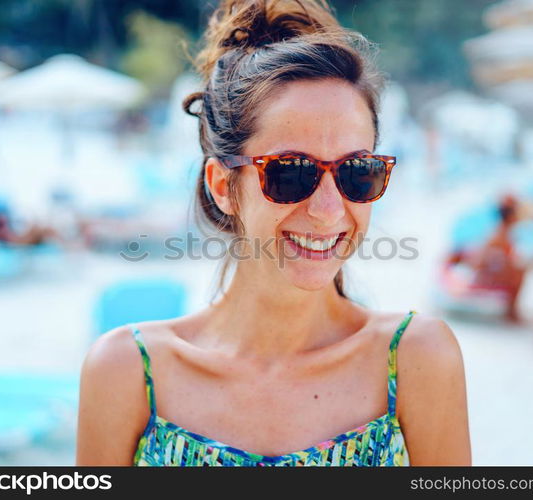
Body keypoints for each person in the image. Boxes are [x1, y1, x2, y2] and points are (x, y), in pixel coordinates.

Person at [77, 0, 470, 466]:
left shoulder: (417, 360)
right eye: (290, 172)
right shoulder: (126, 373)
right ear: (223, 186)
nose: (328, 211)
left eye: (356, 172)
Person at [444, 195, 526, 322]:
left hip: (484, 271)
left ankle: (511, 311)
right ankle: (511, 312)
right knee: (520, 273)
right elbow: (480, 261)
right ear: (511, 216)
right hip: (484, 276)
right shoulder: (500, 235)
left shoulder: (502, 233)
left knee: (520, 271)